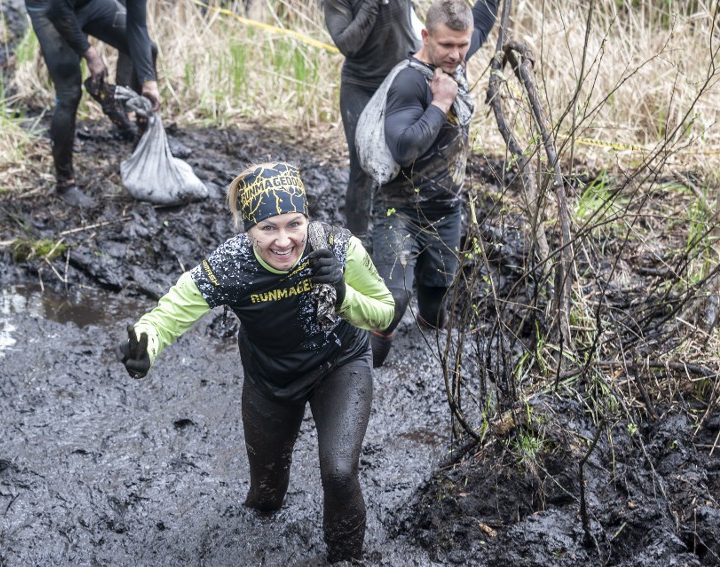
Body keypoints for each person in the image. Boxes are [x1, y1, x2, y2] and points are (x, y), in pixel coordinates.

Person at [118, 162, 394, 563]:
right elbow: (170, 314)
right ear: (248, 230)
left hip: (340, 364)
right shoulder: (231, 266)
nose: (283, 241)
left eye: (293, 224)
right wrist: (146, 344)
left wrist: (342, 293)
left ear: (306, 218)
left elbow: (384, 314)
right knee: (265, 499)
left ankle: (345, 558)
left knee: (338, 472)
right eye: (268, 228)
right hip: (271, 381)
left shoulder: (337, 247)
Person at [368, 0, 499, 367]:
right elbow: (404, 146)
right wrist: (441, 103)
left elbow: (485, 19)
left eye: (463, 45)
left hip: (446, 211)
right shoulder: (410, 80)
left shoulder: (456, 53)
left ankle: (426, 373)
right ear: (426, 36)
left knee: (437, 301)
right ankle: (365, 375)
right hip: (401, 210)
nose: (457, 54)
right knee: (394, 299)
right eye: (447, 46)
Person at [25, 0, 161, 208]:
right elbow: (58, 9)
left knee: (147, 50)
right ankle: (65, 184)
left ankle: (141, 144)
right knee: (69, 93)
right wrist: (91, 54)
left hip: (87, 3)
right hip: (49, 7)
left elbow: (137, 27)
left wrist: (149, 83)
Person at [323, 0, 421, 241]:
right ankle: (356, 244)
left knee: (410, 162)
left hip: (402, 78)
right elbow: (348, 45)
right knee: (362, 169)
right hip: (361, 85)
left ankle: (403, 237)